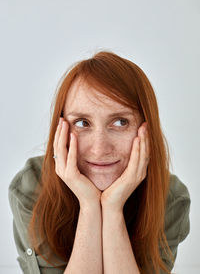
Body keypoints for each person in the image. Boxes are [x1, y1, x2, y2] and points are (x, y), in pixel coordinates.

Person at [8, 50, 191, 274]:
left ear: (146, 130)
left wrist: (112, 209)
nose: (99, 148)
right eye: (82, 123)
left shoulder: (169, 198)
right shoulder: (32, 186)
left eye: (121, 122)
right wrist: (89, 206)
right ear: (61, 130)